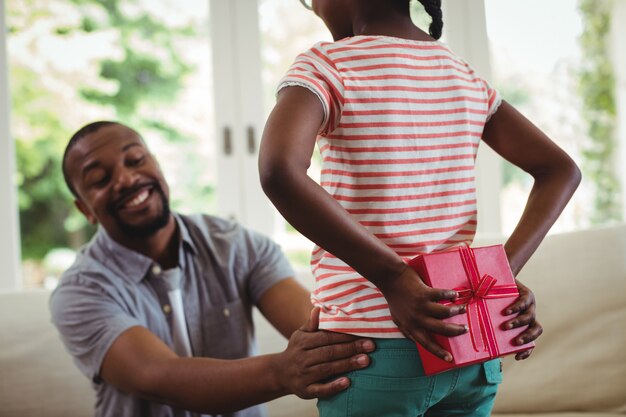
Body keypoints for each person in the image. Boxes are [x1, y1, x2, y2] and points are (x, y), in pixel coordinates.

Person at [259, 0, 581, 416]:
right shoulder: (461, 74)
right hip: (467, 347)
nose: (313, 8)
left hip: (370, 351)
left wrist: (393, 278)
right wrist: (496, 280)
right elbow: (561, 170)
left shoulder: (328, 64)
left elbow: (278, 169)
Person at [50, 120, 377, 417]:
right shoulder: (80, 291)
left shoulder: (237, 246)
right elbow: (158, 377)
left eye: (135, 160)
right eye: (99, 179)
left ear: (157, 165)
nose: (125, 178)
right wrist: (283, 371)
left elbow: (322, 330)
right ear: (85, 209)